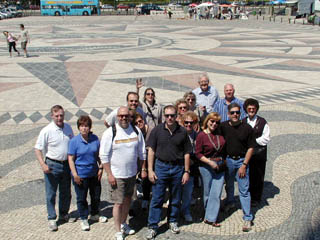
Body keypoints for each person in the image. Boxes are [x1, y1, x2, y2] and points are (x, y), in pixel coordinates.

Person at [145, 105, 192, 239]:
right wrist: (150, 170)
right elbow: (151, 150)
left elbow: (187, 153)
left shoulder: (182, 131)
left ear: (176, 116)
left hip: (178, 168)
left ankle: (172, 221)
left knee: (176, 198)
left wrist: (186, 171)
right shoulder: (157, 130)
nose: (170, 118)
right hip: (161, 167)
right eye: (167, 115)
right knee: (157, 198)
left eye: (172, 115)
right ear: (164, 116)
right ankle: (153, 226)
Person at [100, 106, 146, 240]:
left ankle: (124, 223)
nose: (124, 118)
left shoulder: (136, 131)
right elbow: (104, 155)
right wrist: (109, 174)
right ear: (117, 117)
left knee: (127, 200)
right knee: (118, 203)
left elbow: (142, 152)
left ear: (130, 117)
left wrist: (142, 169)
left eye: (126, 115)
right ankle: (117, 230)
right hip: (117, 175)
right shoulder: (110, 132)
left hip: (131, 174)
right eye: (121, 116)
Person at [34, 105, 74, 231]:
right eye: (56, 116)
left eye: (61, 115)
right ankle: (52, 218)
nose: (59, 118)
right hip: (52, 165)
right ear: (52, 116)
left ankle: (64, 214)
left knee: (66, 192)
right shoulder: (47, 130)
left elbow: (72, 144)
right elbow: (37, 148)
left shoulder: (68, 127)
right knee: (51, 193)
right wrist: (43, 164)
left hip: (66, 165)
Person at [220, 103, 255, 232]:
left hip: (241, 161)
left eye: (237, 112)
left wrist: (244, 165)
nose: (235, 115)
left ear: (241, 114)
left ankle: (247, 216)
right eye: (233, 112)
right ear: (228, 114)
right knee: (228, 185)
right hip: (228, 160)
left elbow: (251, 147)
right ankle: (230, 202)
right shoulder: (223, 126)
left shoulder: (247, 128)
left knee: (244, 190)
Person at [68, 115, 107, 231]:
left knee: (95, 195)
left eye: (86, 126)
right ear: (78, 128)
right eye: (82, 126)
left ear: (90, 127)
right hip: (81, 174)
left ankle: (95, 214)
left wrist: (101, 168)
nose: (84, 128)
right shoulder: (74, 141)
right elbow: (71, 159)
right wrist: (75, 174)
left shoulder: (95, 139)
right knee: (81, 198)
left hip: (94, 173)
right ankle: (84, 217)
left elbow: (99, 155)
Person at [195, 112, 226, 227]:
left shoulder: (220, 134)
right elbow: (197, 153)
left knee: (216, 192)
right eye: (212, 121)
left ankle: (211, 217)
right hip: (206, 165)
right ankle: (208, 215)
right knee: (207, 192)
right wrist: (209, 163)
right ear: (207, 121)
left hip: (219, 164)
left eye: (217, 122)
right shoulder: (201, 135)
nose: (214, 124)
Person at [243, 98, 270, 207]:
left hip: (259, 155)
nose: (251, 110)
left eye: (253, 109)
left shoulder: (262, 122)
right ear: (246, 109)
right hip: (246, 154)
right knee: (246, 176)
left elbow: (266, 138)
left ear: (256, 109)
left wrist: (253, 142)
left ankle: (256, 198)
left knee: (258, 176)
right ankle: (246, 196)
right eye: (249, 108)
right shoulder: (243, 121)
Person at [180, 111, 199, 222]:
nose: (188, 125)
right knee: (176, 191)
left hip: (191, 166)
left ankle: (185, 210)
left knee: (188, 191)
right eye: (186, 122)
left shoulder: (197, 135)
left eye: (191, 123)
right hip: (179, 165)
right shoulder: (178, 133)